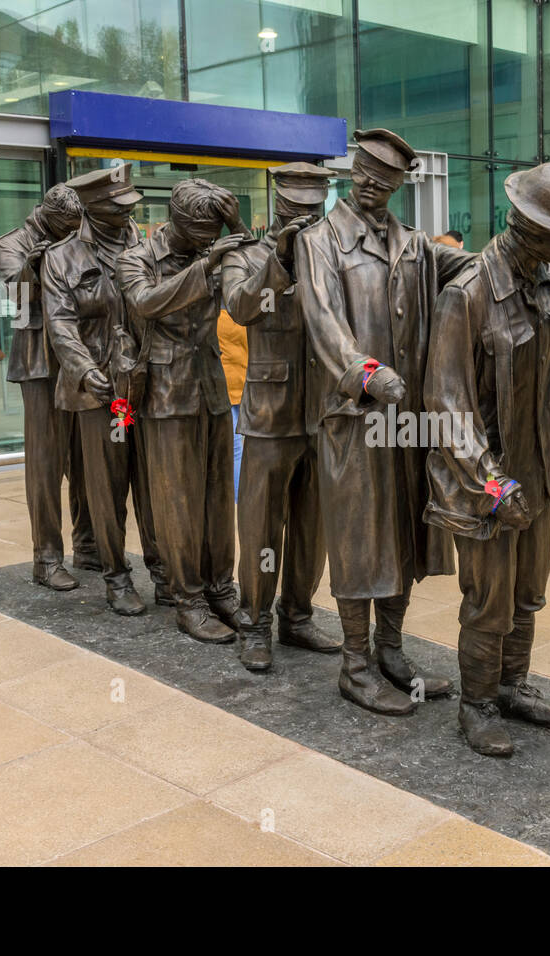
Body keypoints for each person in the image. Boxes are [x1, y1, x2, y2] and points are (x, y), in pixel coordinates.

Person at [425, 163, 550, 756]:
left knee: (529, 589)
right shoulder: (469, 294)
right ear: (531, 228)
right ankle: (476, 703)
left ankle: (512, 686)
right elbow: (446, 405)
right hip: (480, 478)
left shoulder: (548, 277)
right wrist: (492, 484)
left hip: (534, 468)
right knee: (489, 597)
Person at [295, 129, 472, 715]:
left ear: (400, 184)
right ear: (351, 172)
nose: (374, 185)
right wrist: (364, 373)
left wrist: (531, 259)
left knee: (402, 532)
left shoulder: (415, 245)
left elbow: (475, 269)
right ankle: (354, 663)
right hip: (353, 416)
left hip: (409, 420)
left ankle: (391, 649)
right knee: (358, 537)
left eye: (387, 179)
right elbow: (324, 320)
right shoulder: (319, 240)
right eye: (366, 173)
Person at [115, 178, 248, 643]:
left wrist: (238, 226)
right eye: (205, 231)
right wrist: (208, 263)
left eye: (216, 231)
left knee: (217, 498)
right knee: (177, 503)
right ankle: (187, 598)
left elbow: (251, 290)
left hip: (212, 386)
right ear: (181, 222)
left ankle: (221, 589)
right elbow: (147, 303)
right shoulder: (137, 258)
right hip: (166, 392)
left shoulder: (209, 248)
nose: (211, 240)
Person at [222, 162, 341, 671]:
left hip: (323, 412)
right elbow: (241, 307)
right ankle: (254, 624)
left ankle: (297, 615)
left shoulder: (335, 254)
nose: (306, 219)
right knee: (261, 527)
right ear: (277, 206)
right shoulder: (245, 255)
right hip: (269, 413)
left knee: (312, 528)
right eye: (296, 210)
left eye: (314, 211)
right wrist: (281, 261)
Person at [43, 165, 167, 616]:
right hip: (101, 392)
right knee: (107, 486)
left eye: (129, 206)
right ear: (93, 210)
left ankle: (163, 571)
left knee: (153, 483)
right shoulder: (62, 257)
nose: (126, 213)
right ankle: (116, 577)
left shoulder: (147, 246)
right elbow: (60, 325)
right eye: (116, 208)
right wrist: (82, 369)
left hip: (147, 384)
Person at [0, 183, 99, 590]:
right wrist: (32, 268)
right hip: (40, 364)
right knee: (45, 464)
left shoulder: (74, 237)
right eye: (66, 228)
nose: (72, 235)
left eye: (77, 228)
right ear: (48, 216)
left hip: (78, 359)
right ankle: (46, 558)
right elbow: (17, 294)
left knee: (86, 457)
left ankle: (88, 544)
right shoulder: (14, 243)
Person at [216, 307, 248, 500]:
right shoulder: (243, 317)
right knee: (240, 447)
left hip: (225, 387)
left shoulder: (219, 319)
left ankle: (237, 498)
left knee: (235, 450)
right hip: (242, 384)